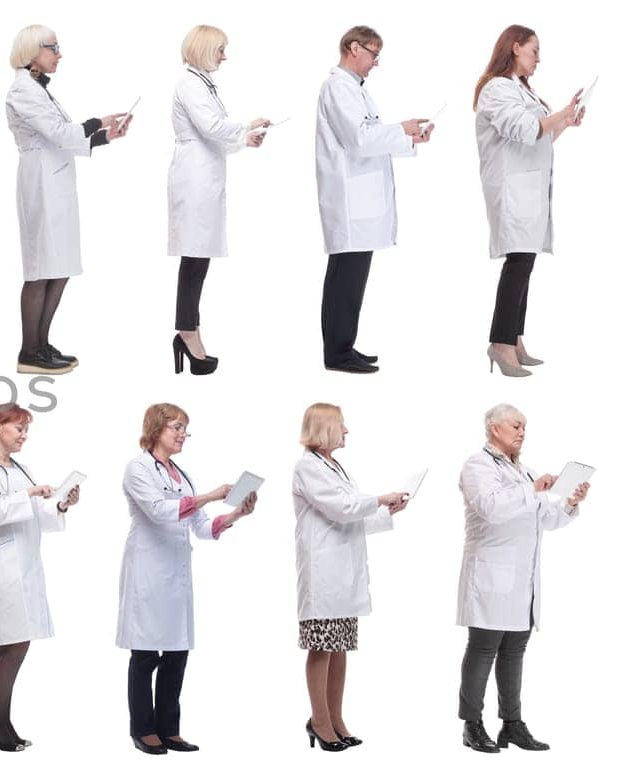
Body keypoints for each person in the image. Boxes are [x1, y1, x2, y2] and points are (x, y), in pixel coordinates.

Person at [118, 402, 255, 754]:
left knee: (177, 653)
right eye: (176, 427)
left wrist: (237, 512)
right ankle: (142, 729)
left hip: (176, 575)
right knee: (145, 655)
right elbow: (159, 511)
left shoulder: (182, 474)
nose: (182, 435)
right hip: (148, 571)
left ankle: (169, 728)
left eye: (185, 429)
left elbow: (202, 527)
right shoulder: (138, 469)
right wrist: (209, 495)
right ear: (156, 428)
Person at [456, 403, 589, 753]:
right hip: (490, 576)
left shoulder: (526, 472)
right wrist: (534, 490)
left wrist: (570, 503)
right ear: (493, 428)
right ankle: (472, 725)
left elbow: (547, 519)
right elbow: (491, 507)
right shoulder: (477, 465)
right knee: (483, 650)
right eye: (515, 425)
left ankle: (512, 725)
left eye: (524, 426)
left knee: (514, 652)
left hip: (521, 581)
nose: (522, 431)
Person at [7, 25, 128, 375]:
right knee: (41, 267)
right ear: (31, 52)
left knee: (60, 267)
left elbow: (62, 137)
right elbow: (58, 134)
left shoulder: (39, 90)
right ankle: (29, 350)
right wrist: (95, 125)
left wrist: (105, 134)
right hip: (41, 184)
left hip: (56, 183)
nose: (59, 54)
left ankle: (42, 344)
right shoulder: (23, 90)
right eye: (52, 47)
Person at [0, 402, 79, 753]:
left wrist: (60, 503)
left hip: (24, 564)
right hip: (0, 567)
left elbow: (37, 514)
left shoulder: (20, 468)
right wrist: (29, 493)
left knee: (15, 642)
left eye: (27, 429)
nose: (24, 435)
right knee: (14, 643)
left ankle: (0, 723)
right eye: (19, 428)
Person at [314, 26, 432, 374]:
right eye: (373, 54)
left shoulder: (355, 90)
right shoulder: (338, 87)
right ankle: (336, 353)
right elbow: (360, 140)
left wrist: (410, 140)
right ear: (353, 48)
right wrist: (402, 128)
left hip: (360, 200)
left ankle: (344, 345)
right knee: (344, 279)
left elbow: (370, 138)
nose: (376, 63)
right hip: (349, 201)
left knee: (353, 279)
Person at [291, 403, 408, 751]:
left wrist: (386, 510)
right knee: (321, 647)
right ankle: (319, 721)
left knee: (339, 647)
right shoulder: (306, 467)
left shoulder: (335, 467)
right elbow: (341, 509)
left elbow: (351, 517)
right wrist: (377, 499)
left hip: (343, 572)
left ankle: (336, 718)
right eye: (341, 425)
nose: (346, 431)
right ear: (324, 428)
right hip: (323, 574)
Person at [473, 25, 585, 377]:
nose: (538, 58)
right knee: (518, 263)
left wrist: (566, 120)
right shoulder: (495, 89)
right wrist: (559, 115)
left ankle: (514, 339)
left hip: (529, 188)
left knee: (525, 262)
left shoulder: (523, 90)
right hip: (511, 188)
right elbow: (525, 129)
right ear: (516, 47)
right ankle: (500, 344)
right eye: (534, 51)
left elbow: (542, 137)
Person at [167, 25, 269, 375]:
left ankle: (188, 329)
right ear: (203, 49)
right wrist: (243, 127)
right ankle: (187, 331)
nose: (225, 56)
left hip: (205, 174)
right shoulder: (189, 84)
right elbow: (212, 127)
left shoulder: (202, 84)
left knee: (199, 256)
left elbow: (215, 132)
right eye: (220, 50)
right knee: (194, 257)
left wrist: (245, 139)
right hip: (194, 178)